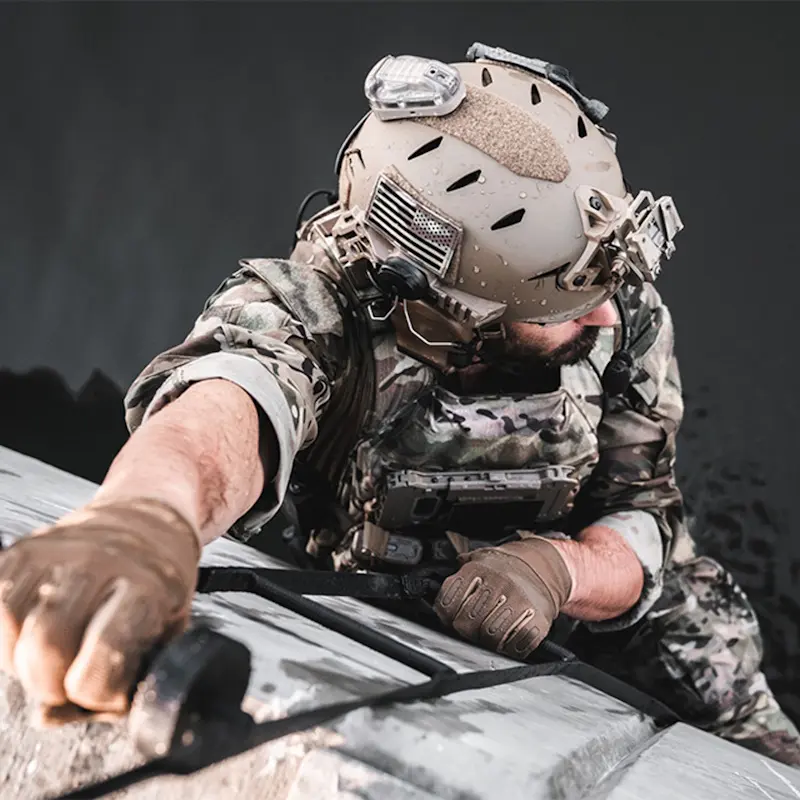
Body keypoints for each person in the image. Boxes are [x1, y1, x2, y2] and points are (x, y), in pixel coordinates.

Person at [1, 43, 798, 765]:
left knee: (740, 696)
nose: (603, 318)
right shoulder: (323, 316)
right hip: (389, 581)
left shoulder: (611, 298)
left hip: (582, 573)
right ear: (451, 310)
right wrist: (145, 523)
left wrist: (560, 569)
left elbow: (643, 505)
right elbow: (232, 397)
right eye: (559, 312)